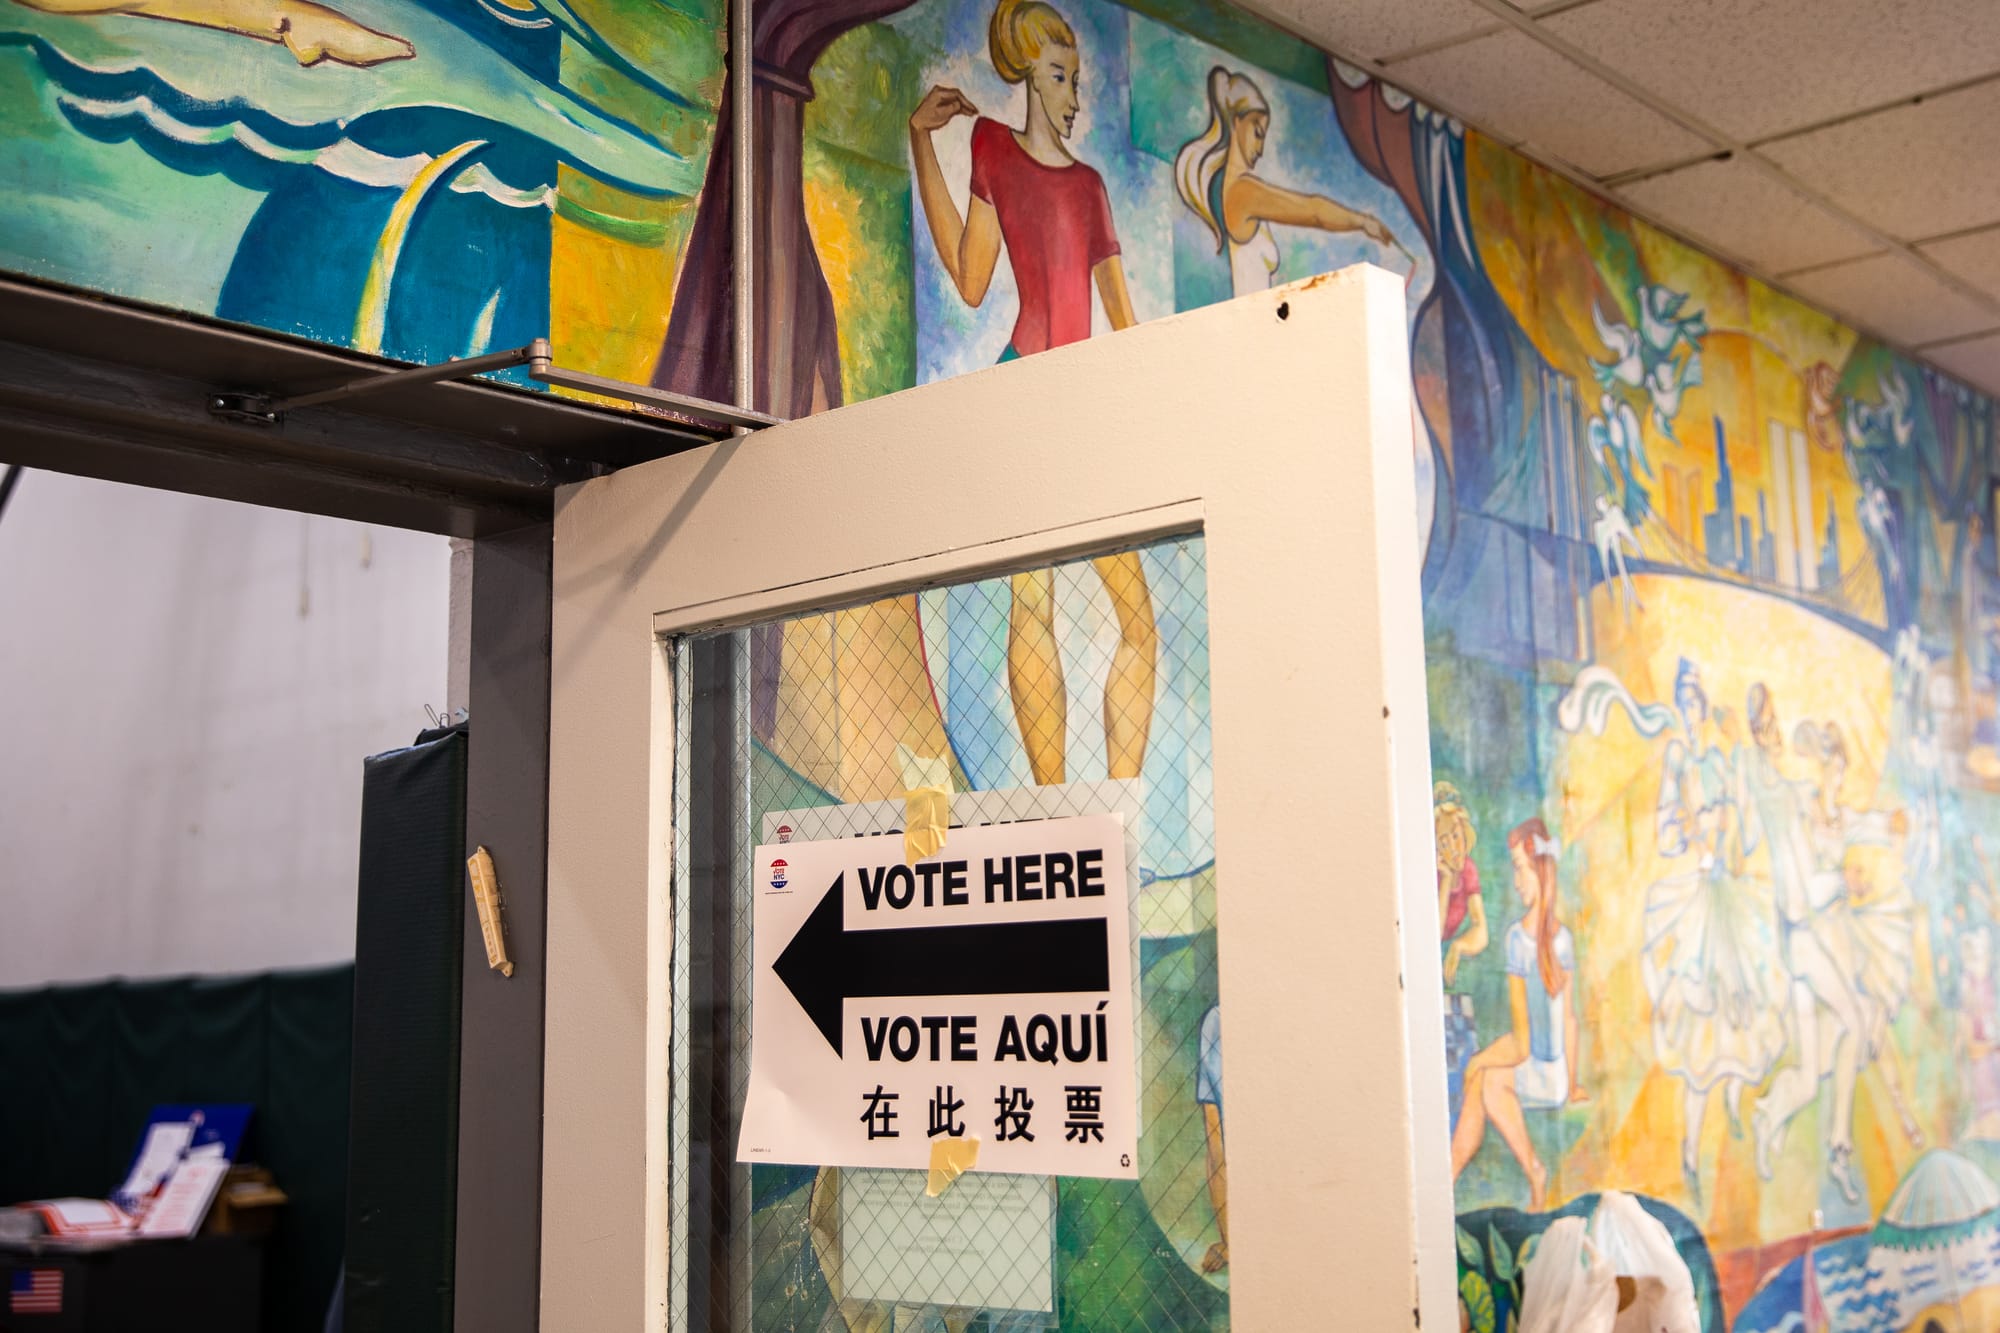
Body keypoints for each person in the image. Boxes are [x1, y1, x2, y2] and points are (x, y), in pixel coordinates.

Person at [909, 0, 1156, 785]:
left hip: (1076, 400)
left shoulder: (1089, 186)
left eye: (1076, 80)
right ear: (1026, 77)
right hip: (1025, 389)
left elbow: (1126, 326)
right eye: (1058, 77)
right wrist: (921, 142)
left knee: (1138, 623)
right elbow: (970, 276)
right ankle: (1054, 807)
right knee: (1033, 605)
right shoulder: (991, 147)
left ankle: (1118, 808)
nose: (1074, 96)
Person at [1641, 662, 1783, 1197]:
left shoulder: (1720, 761)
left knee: (1741, 1008)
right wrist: (1687, 829)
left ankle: (1734, 1105)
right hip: (1700, 895)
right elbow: (1665, 832)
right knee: (1701, 1020)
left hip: (1727, 889)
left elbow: (1744, 832)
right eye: (1684, 703)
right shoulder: (1678, 757)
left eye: (1695, 702)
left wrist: (1731, 814)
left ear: (1702, 706)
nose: (1690, 711)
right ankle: (1690, 1151)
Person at [1450, 817, 1584, 1210]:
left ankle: (1531, 1170)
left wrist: (1478, 1061)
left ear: (1540, 872)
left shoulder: (1518, 941)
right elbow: (1569, 1020)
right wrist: (1573, 1083)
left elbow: (1522, 1045)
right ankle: (1451, 1172)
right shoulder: (1564, 939)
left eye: (1521, 869)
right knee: (1484, 1077)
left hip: (1543, 1073)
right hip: (1557, 1074)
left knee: (1487, 1079)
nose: (1516, 881)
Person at [1173, 66, 1395, 297]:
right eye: (1257, 133)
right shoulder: (1242, 192)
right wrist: (1363, 222)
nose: (1260, 149)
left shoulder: (1233, 189)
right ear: (1236, 122)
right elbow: (1313, 211)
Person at [1437, 782, 1488, 986]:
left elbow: (1480, 929)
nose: (1453, 848)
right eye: (1443, 842)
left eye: (1456, 836)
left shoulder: (1468, 869)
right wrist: (1446, 880)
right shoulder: (1434, 874)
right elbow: (1434, 935)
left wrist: (1458, 946)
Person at [1194, 1003, 1227, 1274]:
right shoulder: (1216, 1022)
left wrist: (1230, 1243)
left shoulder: (1216, 1021)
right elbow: (1215, 1145)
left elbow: (1217, 1145)